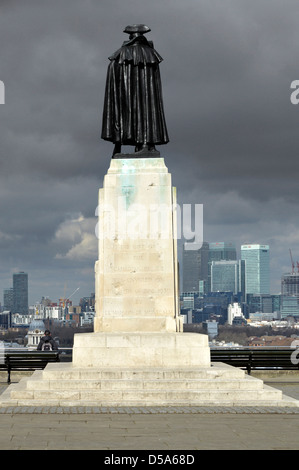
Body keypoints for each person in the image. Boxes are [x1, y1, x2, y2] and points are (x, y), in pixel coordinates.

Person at [101, 24, 169, 157]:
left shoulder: (121, 54)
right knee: (147, 110)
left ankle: (134, 143)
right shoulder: (150, 54)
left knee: (128, 113)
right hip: (147, 98)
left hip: (126, 96)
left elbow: (113, 74)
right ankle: (146, 143)